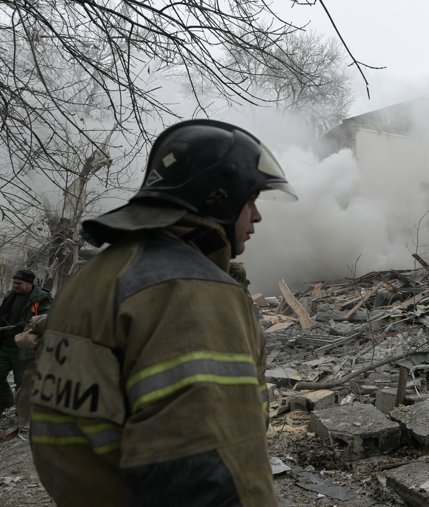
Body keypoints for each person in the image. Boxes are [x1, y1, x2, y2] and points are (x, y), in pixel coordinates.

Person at [30, 119, 297, 506]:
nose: (256, 216)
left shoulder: (93, 279)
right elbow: (206, 471)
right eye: (250, 198)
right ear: (218, 196)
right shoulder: (191, 290)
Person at [0, 270, 52, 416]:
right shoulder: (11, 295)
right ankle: (6, 405)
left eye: (19, 283)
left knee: (22, 384)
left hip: (23, 348)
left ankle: (21, 416)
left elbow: (45, 318)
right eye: (14, 282)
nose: (15, 285)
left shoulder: (41, 298)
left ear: (29, 283)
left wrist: (26, 324)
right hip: (5, 345)